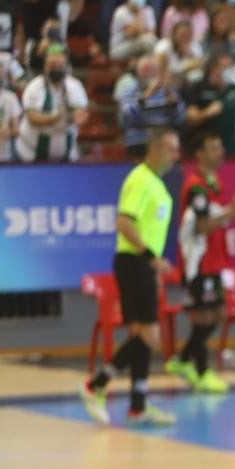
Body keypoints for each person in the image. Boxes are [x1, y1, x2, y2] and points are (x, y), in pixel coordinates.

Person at [80, 127, 180, 427]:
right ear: (155, 148)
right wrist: (151, 258)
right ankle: (96, 384)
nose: (176, 155)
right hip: (134, 262)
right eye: (171, 148)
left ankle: (138, 405)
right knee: (151, 337)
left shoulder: (158, 185)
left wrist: (154, 268)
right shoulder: (140, 180)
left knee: (140, 336)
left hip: (142, 267)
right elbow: (124, 222)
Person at [166, 132, 235, 393]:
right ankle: (200, 370)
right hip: (198, 262)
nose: (220, 152)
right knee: (204, 317)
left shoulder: (214, 183)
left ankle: (183, 360)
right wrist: (234, 210)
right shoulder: (196, 187)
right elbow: (203, 226)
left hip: (214, 260)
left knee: (217, 314)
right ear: (200, 154)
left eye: (221, 147)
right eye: (214, 147)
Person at [16, 50, 87, 162]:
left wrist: (73, 116)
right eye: (52, 65)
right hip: (32, 154)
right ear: (45, 67)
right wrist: (56, 117)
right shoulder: (34, 87)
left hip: (67, 154)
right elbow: (33, 118)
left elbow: (80, 116)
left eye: (60, 66)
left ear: (67, 67)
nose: (56, 69)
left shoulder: (75, 86)